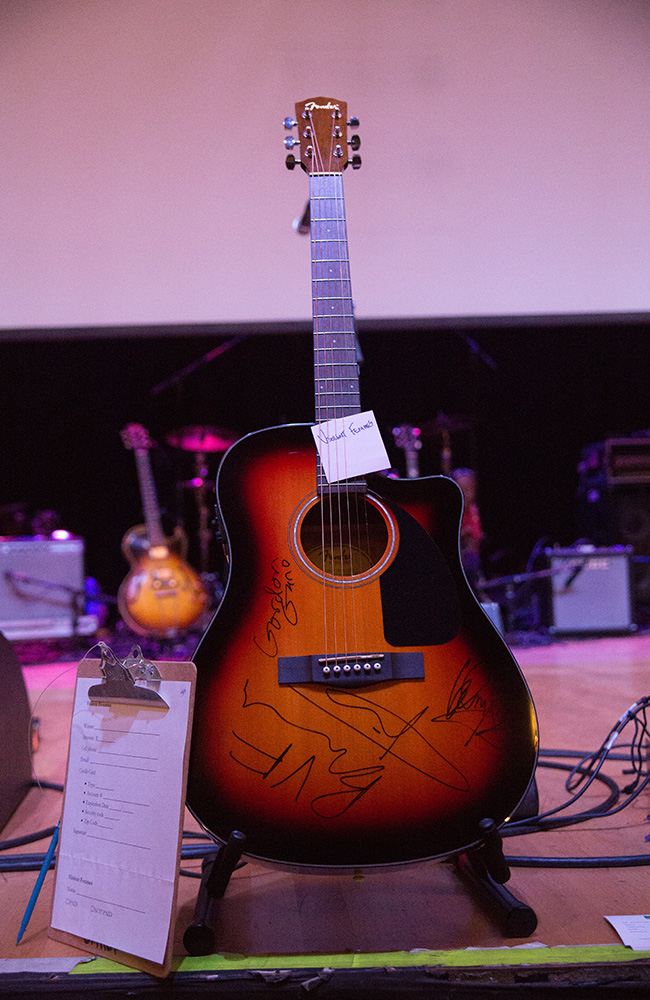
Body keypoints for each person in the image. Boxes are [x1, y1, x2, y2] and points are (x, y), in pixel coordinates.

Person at [451, 467, 483, 589]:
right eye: (462, 490)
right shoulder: (453, 513)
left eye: (470, 489)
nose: (467, 494)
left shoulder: (473, 510)